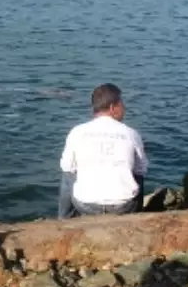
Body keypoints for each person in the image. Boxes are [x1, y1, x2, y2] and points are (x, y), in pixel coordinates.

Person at [58, 83, 147, 218]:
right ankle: (136, 217)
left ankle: (64, 219)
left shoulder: (77, 132)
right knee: (138, 173)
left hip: (86, 205)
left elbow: (67, 167)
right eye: (122, 104)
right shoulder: (132, 134)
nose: (125, 108)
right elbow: (142, 170)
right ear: (112, 107)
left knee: (68, 172)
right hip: (124, 206)